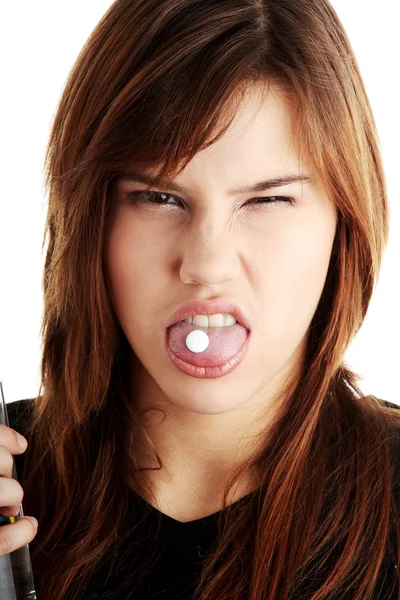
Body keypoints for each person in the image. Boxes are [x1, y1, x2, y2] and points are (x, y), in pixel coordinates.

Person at [1, 0, 399, 598]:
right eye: (158, 198)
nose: (205, 265)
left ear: (344, 222)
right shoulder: (11, 489)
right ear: (90, 216)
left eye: (267, 201)